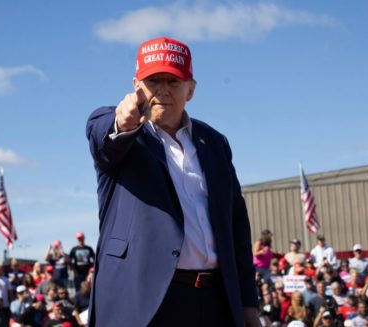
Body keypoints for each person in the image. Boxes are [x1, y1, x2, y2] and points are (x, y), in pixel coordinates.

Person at [86, 36, 260, 326]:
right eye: (154, 81)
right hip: (147, 304)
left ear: (190, 89)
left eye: (173, 82)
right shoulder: (121, 133)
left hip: (215, 300)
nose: (163, 91)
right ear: (136, 86)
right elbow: (103, 140)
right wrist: (122, 124)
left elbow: (236, 226)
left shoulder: (215, 142)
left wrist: (248, 305)